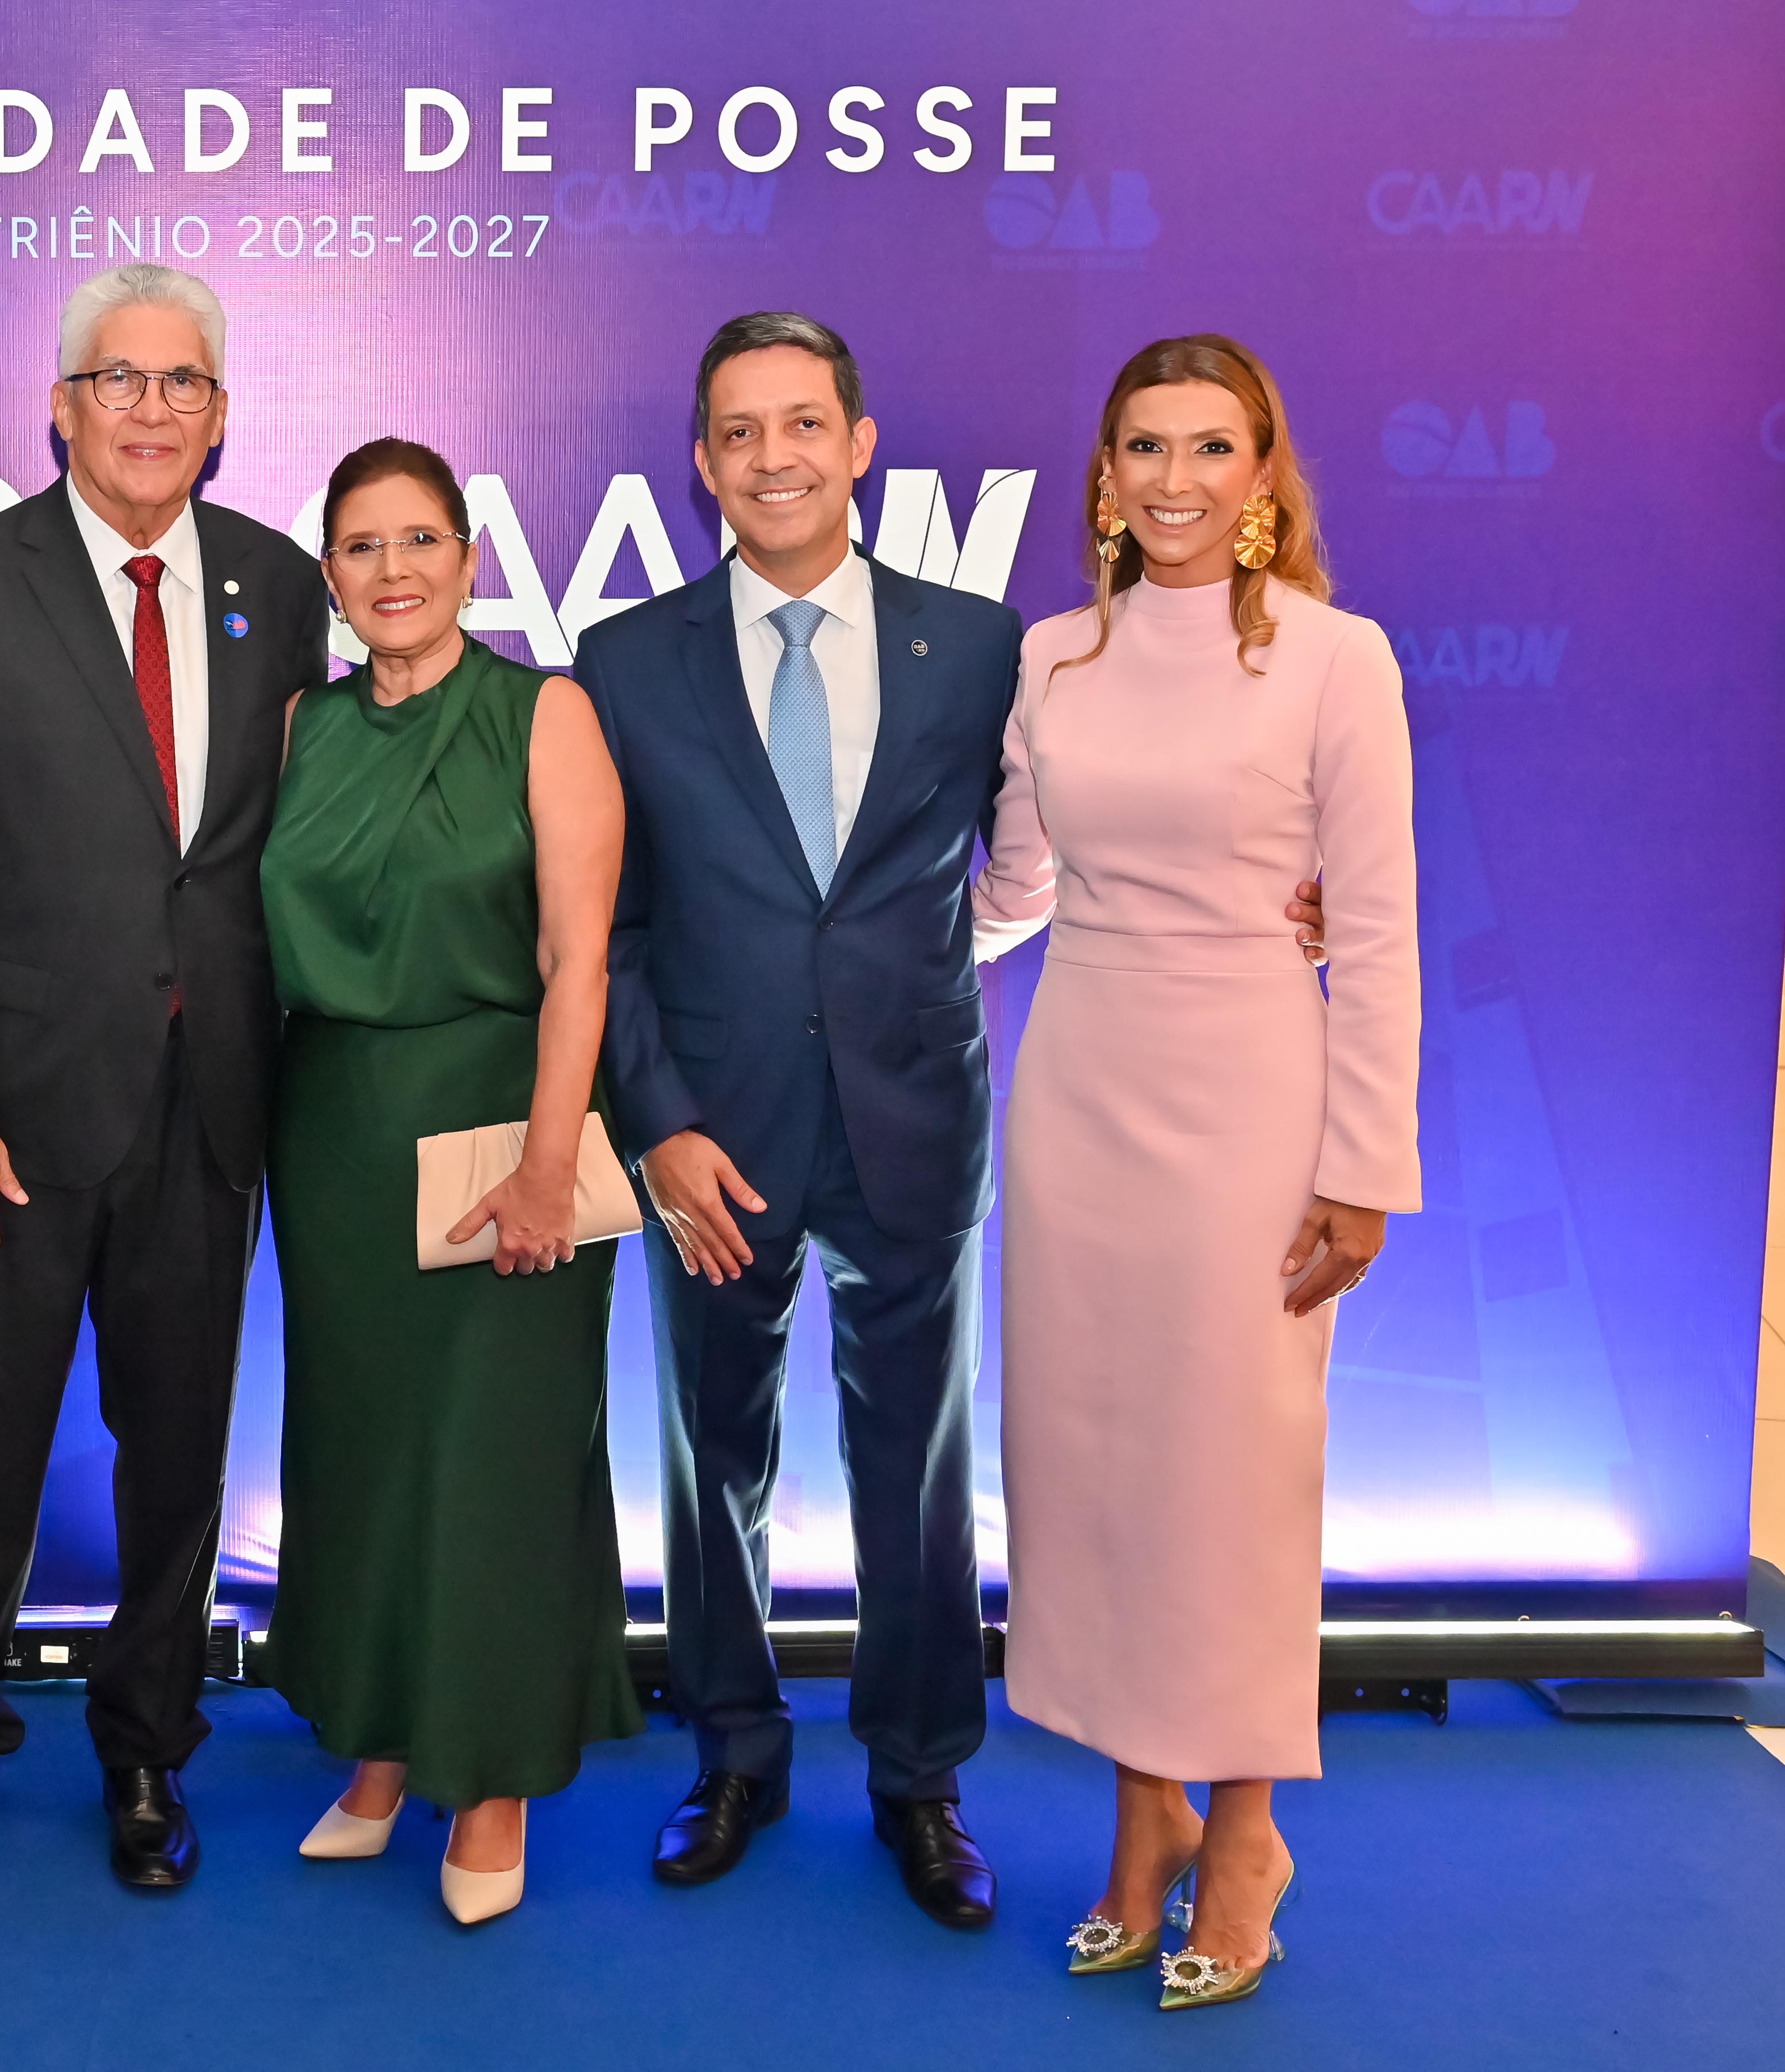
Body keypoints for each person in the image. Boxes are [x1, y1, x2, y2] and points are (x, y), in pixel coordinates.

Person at [574, 312, 1329, 1928]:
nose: (772, 456)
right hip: (709, 1135)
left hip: (914, 1118)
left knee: (917, 1469)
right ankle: (733, 1752)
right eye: (738, 431)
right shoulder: (625, 663)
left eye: (803, 423)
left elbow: (1078, 838)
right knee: (709, 1457)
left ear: (860, 444)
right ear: (701, 463)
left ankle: (920, 1777)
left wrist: (1282, 894)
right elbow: (607, 928)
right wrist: (657, 1120)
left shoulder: (986, 649)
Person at [970, 335, 1417, 2011]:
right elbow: (1016, 887)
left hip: (1252, 1101)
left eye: (1210, 447)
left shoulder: (1335, 658)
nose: (1175, 480)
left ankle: (1246, 1834)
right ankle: (1142, 1812)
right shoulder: (1050, 658)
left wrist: (1364, 1164)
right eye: (1144, 448)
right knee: (1092, 1469)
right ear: (1104, 476)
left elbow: (1378, 926)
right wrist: (845, 951)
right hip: (1080, 1090)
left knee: (1234, 1478)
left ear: (1264, 473)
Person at [0, 262, 328, 1892]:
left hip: (211, 1110)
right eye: (118, 380)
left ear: (222, 413)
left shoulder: (281, 583)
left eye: (181, 381)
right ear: (60, 408)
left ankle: (149, 1750)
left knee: (181, 1459)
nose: (151, 409)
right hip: (8, 1117)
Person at [257, 440, 638, 1925]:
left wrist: (549, 1161)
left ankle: (489, 1782)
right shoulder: (302, 724)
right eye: (362, 547)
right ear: (332, 578)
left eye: (421, 540)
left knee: (495, 1461)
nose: (394, 570)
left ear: (471, 560)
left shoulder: (544, 713)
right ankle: (382, 1743)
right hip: (337, 1140)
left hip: (500, 1130)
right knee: (362, 1453)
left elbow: (578, 960)